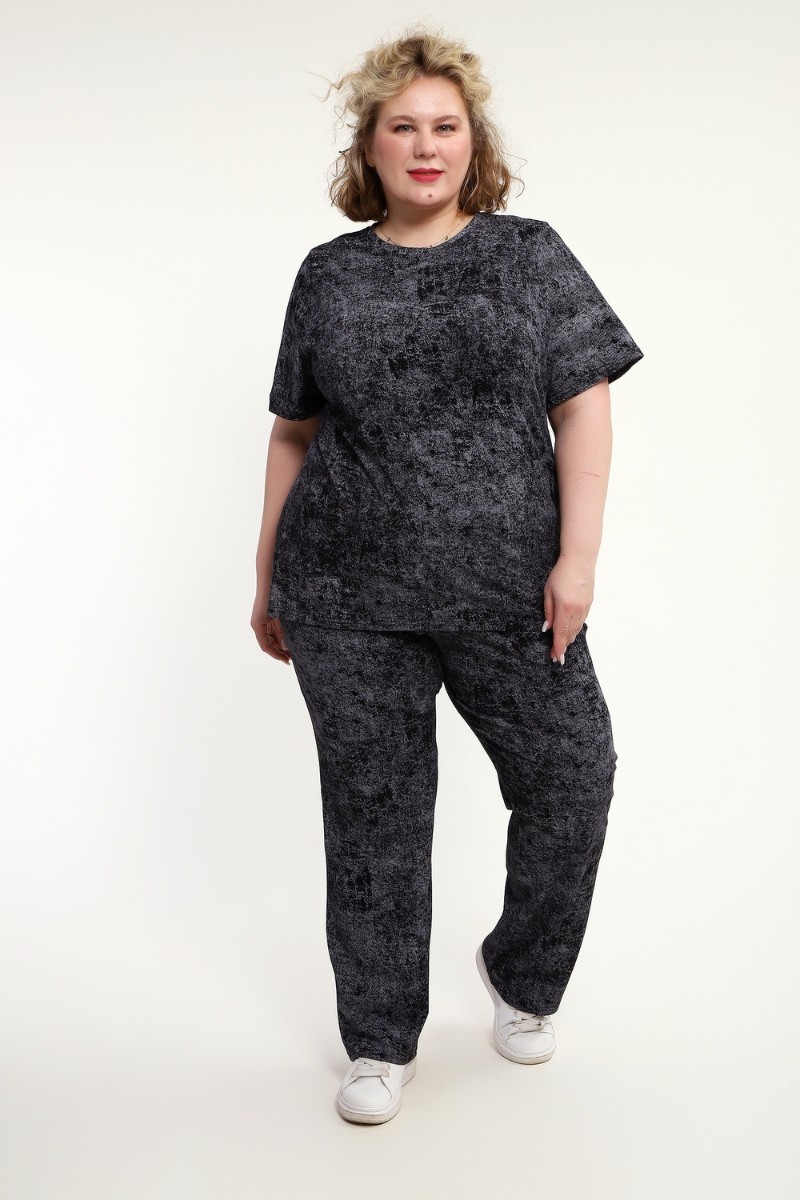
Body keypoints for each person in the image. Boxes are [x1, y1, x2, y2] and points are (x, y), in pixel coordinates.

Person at [251, 26, 644, 1126]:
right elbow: (293, 431)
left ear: (474, 143)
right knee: (373, 819)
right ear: (369, 147)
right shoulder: (329, 275)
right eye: (402, 127)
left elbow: (583, 407)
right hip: (343, 594)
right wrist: (265, 575)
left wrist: (576, 560)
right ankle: (378, 1040)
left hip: (507, 588)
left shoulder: (529, 255)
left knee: (572, 777)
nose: (425, 146)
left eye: (445, 126)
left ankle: (522, 973)